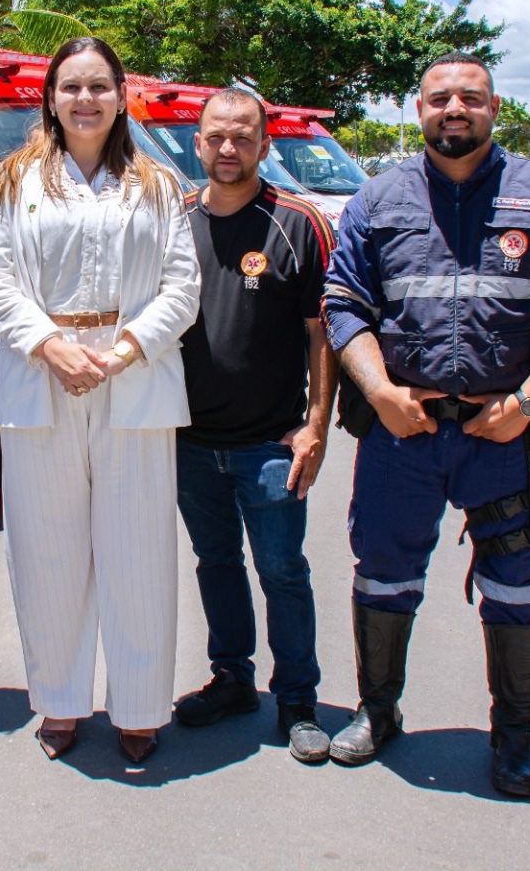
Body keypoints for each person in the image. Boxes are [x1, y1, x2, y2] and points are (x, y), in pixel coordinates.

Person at [321, 51, 530, 795]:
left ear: (494, 108)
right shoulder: (376, 199)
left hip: (503, 434)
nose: (455, 109)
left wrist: (526, 406)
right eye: (440, 97)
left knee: (515, 584)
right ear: (418, 109)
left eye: (471, 98)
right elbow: (343, 303)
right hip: (403, 432)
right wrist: (381, 392)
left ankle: (515, 738)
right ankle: (377, 711)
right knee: (382, 575)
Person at [0, 36, 200, 764]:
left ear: (121, 96)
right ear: (50, 97)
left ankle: (139, 706)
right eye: (71, 86)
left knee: (139, 551)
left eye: (99, 86)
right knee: (48, 551)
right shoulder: (12, 181)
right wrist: (49, 345)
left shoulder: (158, 184)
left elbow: (182, 286)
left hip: (135, 377)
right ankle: (60, 700)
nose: (85, 99)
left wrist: (126, 350)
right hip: (42, 374)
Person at [170, 88, 337, 763]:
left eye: (243, 137)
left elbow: (323, 331)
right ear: (198, 143)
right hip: (189, 442)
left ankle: (297, 699)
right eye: (216, 136)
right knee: (215, 563)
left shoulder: (298, 222)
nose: (228, 148)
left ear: (265, 145)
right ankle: (232, 678)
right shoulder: (174, 220)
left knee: (282, 571)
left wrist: (317, 422)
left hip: (271, 442)